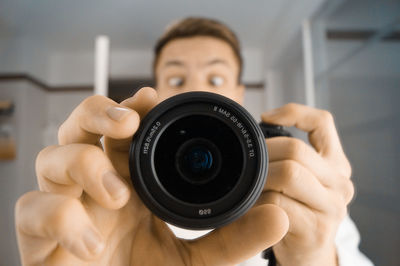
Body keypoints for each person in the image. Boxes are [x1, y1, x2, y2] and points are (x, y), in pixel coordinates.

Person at [15, 17, 373, 266]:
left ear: (239, 93)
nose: (195, 89)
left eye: (216, 78)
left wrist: (312, 259)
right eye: (176, 77)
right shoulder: (114, 187)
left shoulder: (295, 179)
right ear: (154, 88)